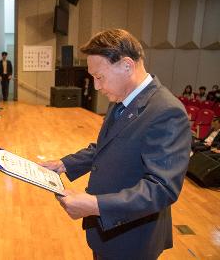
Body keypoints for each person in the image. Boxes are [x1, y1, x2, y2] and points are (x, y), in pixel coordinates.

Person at [40, 29, 191, 260]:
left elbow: (162, 188)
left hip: (132, 239)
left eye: (99, 77)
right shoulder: (121, 98)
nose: (97, 86)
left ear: (127, 66)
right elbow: (105, 146)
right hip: (107, 233)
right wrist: (64, 164)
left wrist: (96, 205)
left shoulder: (166, 111)